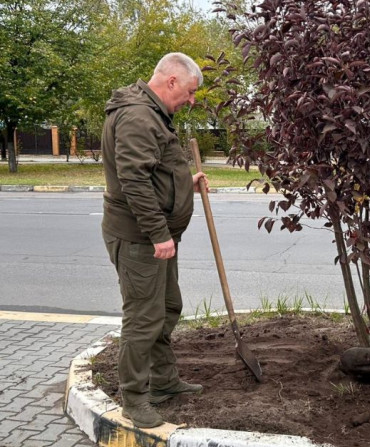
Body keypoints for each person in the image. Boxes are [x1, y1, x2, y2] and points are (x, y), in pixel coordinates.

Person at [101, 52, 209, 428]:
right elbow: (134, 181)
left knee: (167, 307)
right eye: (191, 92)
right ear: (173, 81)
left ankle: (164, 382)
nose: (192, 100)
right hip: (140, 239)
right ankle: (134, 398)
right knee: (144, 319)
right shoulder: (138, 116)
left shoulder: (154, 113)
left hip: (156, 237)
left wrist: (185, 184)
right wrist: (159, 234)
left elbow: (154, 170)